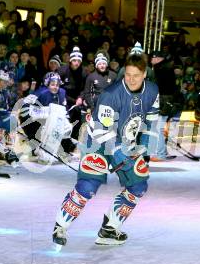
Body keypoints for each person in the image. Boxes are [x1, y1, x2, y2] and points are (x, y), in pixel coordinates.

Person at [52, 54, 159, 247]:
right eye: (128, 75)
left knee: (138, 185)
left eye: (136, 75)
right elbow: (103, 129)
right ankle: (60, 226)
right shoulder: (111, 93)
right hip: (99, 141)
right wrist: (117, 152)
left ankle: (109, 229)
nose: (131, 79)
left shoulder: (152, 91)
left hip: (127, 142)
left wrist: (144, 147)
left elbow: (150, 121)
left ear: (144, 74)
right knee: (88, 186)